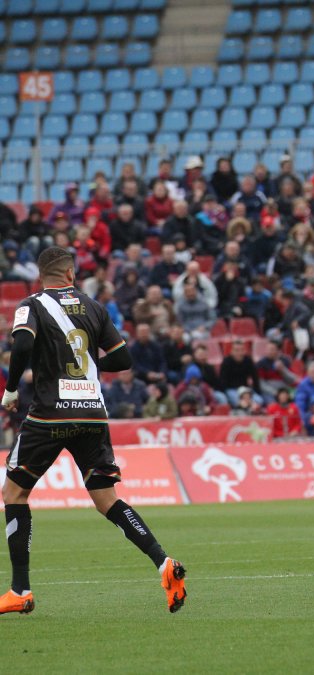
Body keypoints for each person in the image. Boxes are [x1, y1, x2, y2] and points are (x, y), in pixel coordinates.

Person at [1, 247, 186, 616]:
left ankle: (20, 589)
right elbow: (122, 359)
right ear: (70, 273)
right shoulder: (93, 306)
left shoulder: (32, 304)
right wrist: (85, 366)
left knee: (14, 492)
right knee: (106, 499)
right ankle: (163, 563)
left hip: (50, 415)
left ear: (42, 275)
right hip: (92, 414)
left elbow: (21, 343)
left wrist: (10, 389)